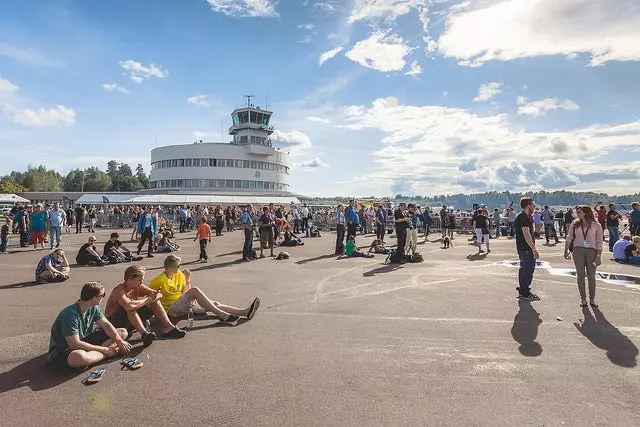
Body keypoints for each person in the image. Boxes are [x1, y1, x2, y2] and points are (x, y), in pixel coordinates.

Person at [149, 255, 260, 322]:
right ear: (170, 268)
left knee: (214, 304)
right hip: (172, 309)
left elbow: (186, 292)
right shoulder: (158, 280)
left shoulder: (179, 275)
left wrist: (188, 280)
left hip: (183, 305)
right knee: (196, 290)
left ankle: (244, 312)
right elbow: (150, 299)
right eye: (178, 266)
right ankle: (222, 315)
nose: (180, 268)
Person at [47, 281, 132, 370]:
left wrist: (119, 342)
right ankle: (107, 354)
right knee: (78, 357)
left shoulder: (93, 307)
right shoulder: (70, 315)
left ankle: (97, 356)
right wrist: (104, 350)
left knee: (122, 332)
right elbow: (74, 344)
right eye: (103, 295)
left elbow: (106, 325)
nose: (103, 297)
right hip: (65, 348)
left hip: (86, 339)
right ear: (94, 298)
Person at [105, 265, 186, 346]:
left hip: (128, 320)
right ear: (129, 279)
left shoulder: (137, 286)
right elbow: (128, 305)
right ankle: (144, 334)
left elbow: (158, 294)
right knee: (131, 307)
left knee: (154, 302)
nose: (141, 283)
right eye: (139, 280)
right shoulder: (119, 290)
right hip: (114, 323)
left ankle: (169, 328)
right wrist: (147, 300)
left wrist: (150, 299)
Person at [564, 205, 603, 308]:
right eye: (577, 212)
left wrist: (598, 256)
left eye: (579, 212)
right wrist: (566, 250)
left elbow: (599, 242)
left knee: (591, 276)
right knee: (580, 275)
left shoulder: (596, 225)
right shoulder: (575, 224)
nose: (577, 214)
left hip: (592, 251)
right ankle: (583, 298)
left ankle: (592, 298)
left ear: (586, 212)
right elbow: (569, 238)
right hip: (578, 250)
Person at [515, 197, 539, 300]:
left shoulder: (525, 216)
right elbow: (526, 234)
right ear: (529, 206)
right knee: (528, 269)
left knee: (524, 268)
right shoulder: (523, 217)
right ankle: (525, 292)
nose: (534, 207)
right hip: (525, 248)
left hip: (523, 247)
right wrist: (533, 249)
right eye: (533, 205)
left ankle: (523, 289)